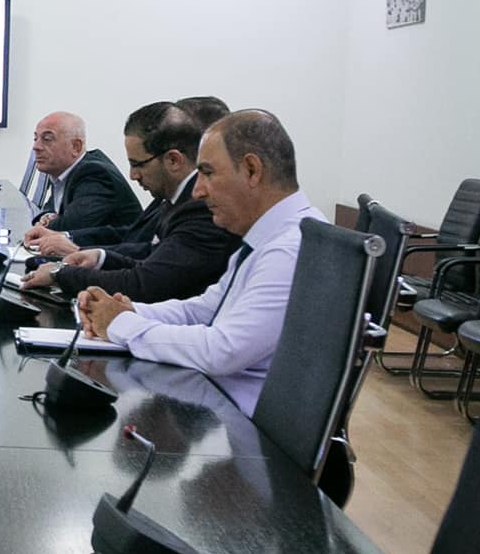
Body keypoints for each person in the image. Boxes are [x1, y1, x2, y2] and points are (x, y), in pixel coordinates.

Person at [78, 109, 325, 415]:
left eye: (207, 173)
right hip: (216, 403)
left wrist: (120, 324)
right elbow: (204, 310)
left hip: (241, 422)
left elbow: (222, 350)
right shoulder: (267, 237)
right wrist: (127, 310)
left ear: (251, 170)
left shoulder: (289, 248)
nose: (197, 190)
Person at [23, 101, 240, 303]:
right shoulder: (171, 196)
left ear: (174, 160)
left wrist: (61, 273)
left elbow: (146, 283)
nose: (132, 176)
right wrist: (100, 256)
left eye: (138, 165)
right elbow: (151, 252)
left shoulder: (200, 207)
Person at [27, 110, 142, 235]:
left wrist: (44, 224)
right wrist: (47, 216)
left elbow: (70, 228)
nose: (36, 147)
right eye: (35, 138)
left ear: (76, 147)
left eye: (47, 139)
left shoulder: (94, 174)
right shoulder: (62, 170)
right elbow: (52, 209)